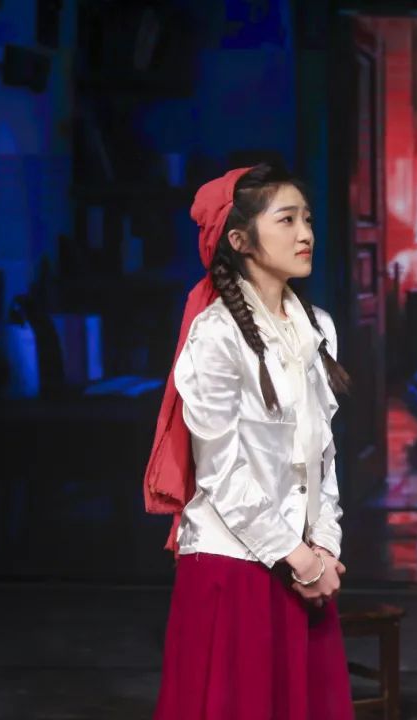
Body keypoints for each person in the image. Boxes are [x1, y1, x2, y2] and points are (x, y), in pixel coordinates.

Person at [144, 163, 354, 719]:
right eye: (286, 220)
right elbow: (220, 471)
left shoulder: (317, 326)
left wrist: (325, 546)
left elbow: (323, 455)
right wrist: (299, 558)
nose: (305, 233)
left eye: (307, 219)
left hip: (303, 562)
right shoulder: (216, 334)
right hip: (236, 562)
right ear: (239, 241)